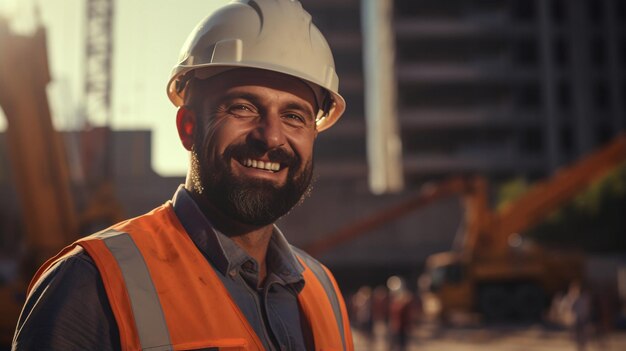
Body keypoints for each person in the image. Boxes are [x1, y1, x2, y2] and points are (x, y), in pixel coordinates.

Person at [12, 0, 353, 350]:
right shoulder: (91, 285)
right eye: (243, 107)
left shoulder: (323, 291)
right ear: (188, 127)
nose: (271, 137)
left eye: (294, 116)